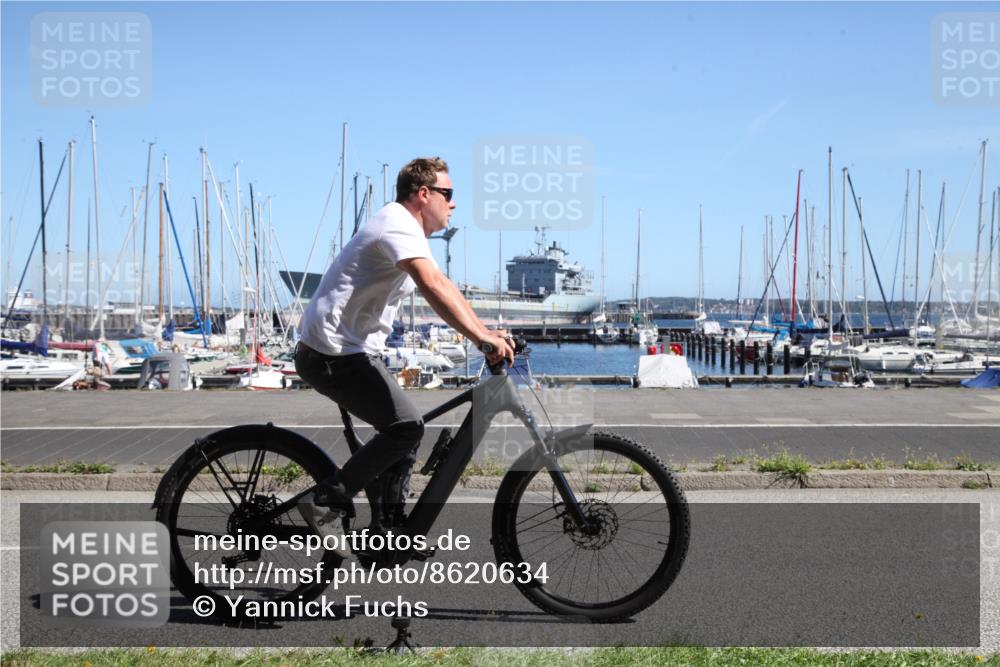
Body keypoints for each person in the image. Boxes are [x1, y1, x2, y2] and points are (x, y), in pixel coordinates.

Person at [294, 157, 515, 552]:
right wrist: (481, 342)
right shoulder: (396, 222)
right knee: (407, 427)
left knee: (403, 431)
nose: (454, 204)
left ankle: (387, 531)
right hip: (332, 353)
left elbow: (442, 282)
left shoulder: (405, 228)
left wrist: (484, 332)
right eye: (448, 195)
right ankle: (325, 501)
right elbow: (431, 284)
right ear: (423, 194)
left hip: (353, 351)